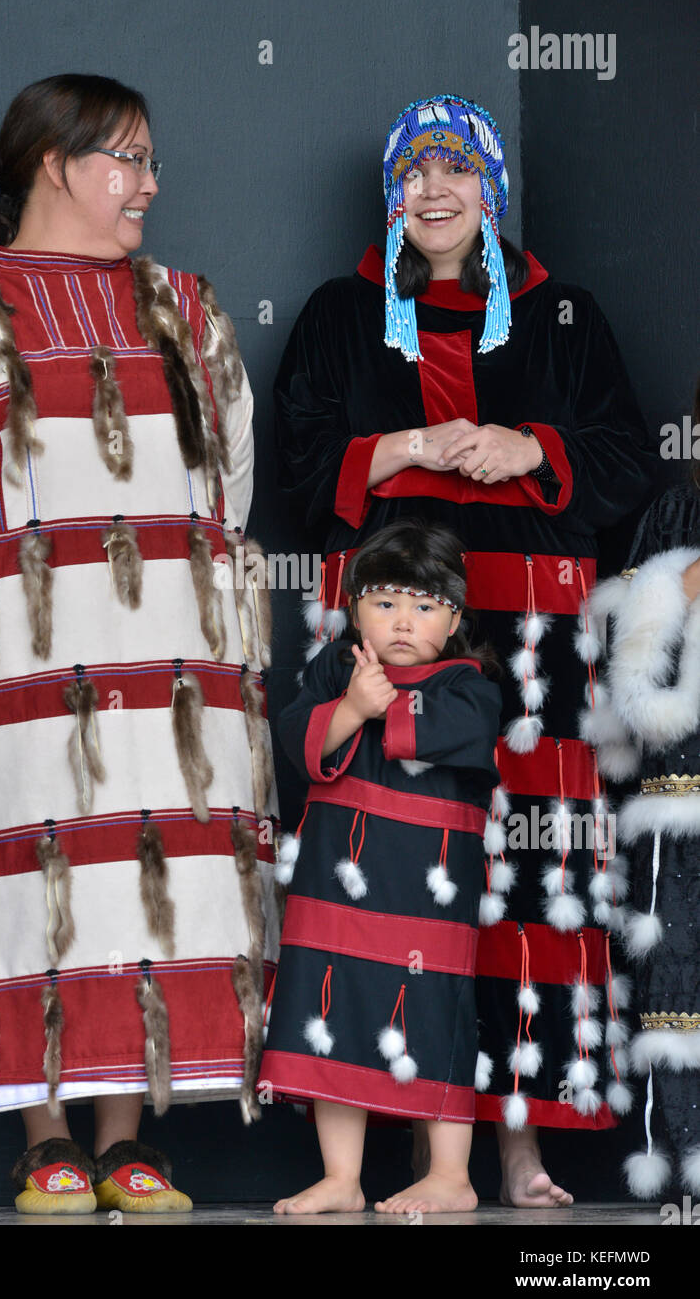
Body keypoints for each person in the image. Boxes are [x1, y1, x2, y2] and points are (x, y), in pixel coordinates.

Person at [0, 73, 279, 1214]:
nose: (150, 183)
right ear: (56, 165)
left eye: (150, 162)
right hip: (15, 674)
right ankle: (43, 1137)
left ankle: (128, 1134)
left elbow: (226, 486)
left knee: (147, 881)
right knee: (35, 871)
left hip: (166, 677)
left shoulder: (184, 309)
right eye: (128, 160)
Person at [273, 93, 658, 1206]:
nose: (433, 191)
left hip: (530, 645)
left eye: (457, 170)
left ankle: (520, 1150)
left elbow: (626, 463)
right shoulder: (339, 316)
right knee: (392, 886)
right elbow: (299, 474)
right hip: (391, 645)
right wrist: (401, 445)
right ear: (390, 192)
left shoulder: (565, 313)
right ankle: (383, 1159)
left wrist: (526, 444)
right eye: (413, 172)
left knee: (527, 887)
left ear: (492, 187)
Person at [259, 520, 501, 1214]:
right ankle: (342, 1176)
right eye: (385, 603)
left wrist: (381, 708)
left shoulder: (468, 683)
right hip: (339, 887)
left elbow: (448, 737)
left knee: (435, 1016)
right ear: (354, 607)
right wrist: (350, 707)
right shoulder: (336, 668)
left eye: (424, 606)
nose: (403, 621)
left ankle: (451, 1176)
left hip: (426, 898)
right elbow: (300, 743)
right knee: (331, 1011)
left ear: (453, 618)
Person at [579, 391, 700, 1201]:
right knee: (680, 997)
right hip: (679, 811)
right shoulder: (671, 521)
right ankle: (687, 1165)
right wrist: (683, 590)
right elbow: (634, 693)